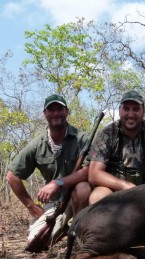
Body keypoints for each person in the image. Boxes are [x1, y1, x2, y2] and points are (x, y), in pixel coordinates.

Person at [6, 94, 91, 250]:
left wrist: (58, 182)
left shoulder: (83, 139)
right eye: (51, 110)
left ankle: (80, 235)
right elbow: (12, 176)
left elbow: (89, 172)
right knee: (35, 243)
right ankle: (63, 229)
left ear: (67, 111)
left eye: (60, 109)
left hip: (78, 198)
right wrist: (31, 206)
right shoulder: (37, 144)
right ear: (44, 113)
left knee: (83, 189)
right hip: (55, 205)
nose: (56, 113)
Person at [86, 90, 145, 204]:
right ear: (119, 111)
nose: (131, 114)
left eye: (136, 109)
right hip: (115, 189)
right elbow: (94, 174)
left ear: (144, 111)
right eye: (126, 109)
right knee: (97, 198)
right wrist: (125, 185)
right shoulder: (107, 134)